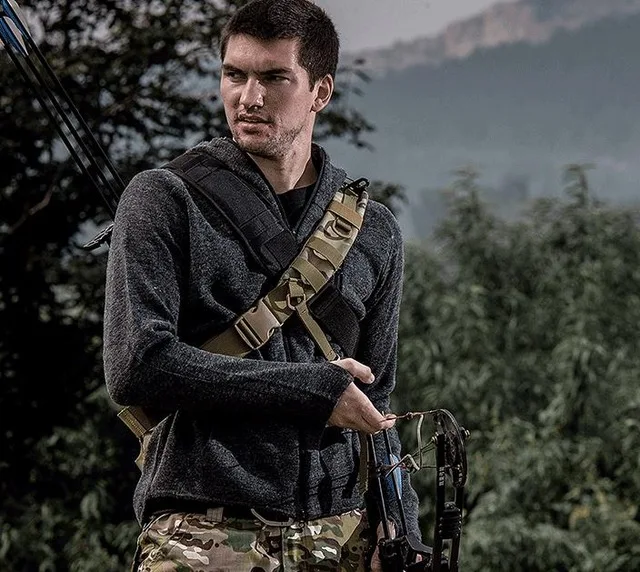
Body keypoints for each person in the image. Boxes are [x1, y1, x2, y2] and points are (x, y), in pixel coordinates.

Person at [103, 0, 421, 569]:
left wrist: (401, 527)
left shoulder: (374, 230)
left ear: (320, 91)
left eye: (274, 78)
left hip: (341, 537)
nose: (248, 97)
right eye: (235, 75)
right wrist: (310, 390)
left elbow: (376, 402)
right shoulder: (163, 198)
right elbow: (138, 365)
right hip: (203, 535)